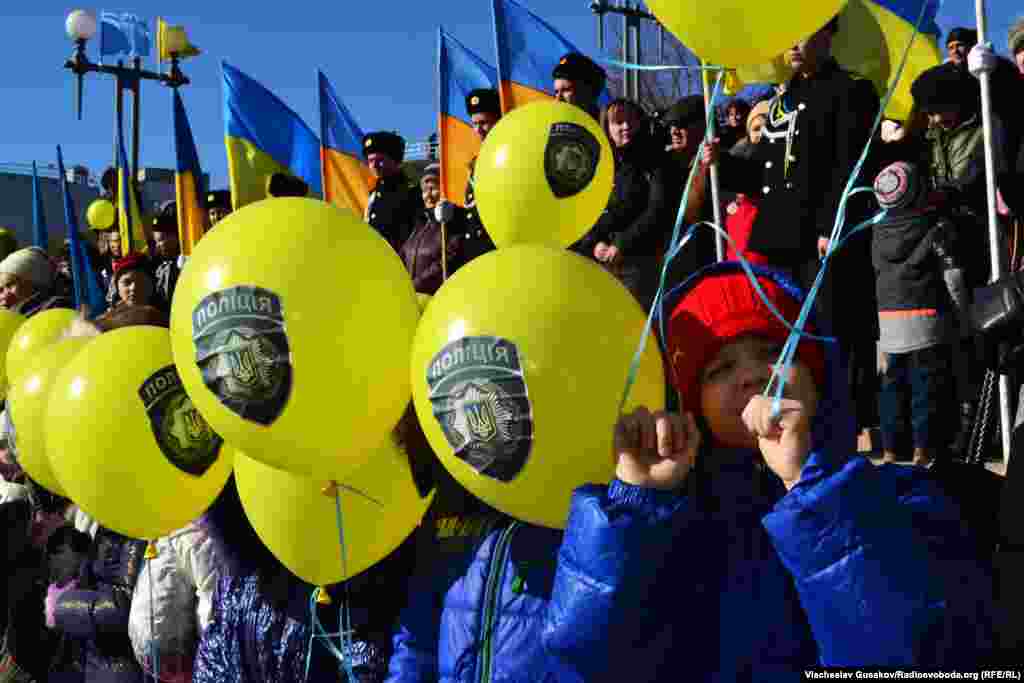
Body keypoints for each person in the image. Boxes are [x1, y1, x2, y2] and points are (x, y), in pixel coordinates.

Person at [539, 262, 996, 680]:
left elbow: (918, 653)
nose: (753, 376)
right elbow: (589, 660)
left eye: (774, 350)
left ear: (820, 373)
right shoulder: (669, 529)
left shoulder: (898, 498)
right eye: (719, 369)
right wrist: (636, 506)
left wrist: (812, 488)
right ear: (688, 406)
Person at [708, 14, 882, 442]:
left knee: (829, 335)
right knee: (787, 341)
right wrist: (723, 163)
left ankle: (842, 426)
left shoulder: (850, 91)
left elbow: (850, 168)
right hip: (782, 240)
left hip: (822, 241)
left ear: (828, 35)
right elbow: (770, 179)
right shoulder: (784, 99)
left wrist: (831, 225)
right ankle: (798, 425)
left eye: (803, 33)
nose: (794, 44)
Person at [871, 161, 970, 467]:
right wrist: (963, 311)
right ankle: (922, 450)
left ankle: (889, 450)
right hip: (926, 316)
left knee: (891, 388)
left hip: (888, 318)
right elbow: (951, 274)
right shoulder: (935, 226)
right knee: (925, 389)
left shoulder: (877, 229)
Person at [571, 99, 670, 309]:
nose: (625, 127)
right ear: (607, 127)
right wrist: (594, 242)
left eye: (630, 120)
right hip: (598, 264)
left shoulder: (654, 162)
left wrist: (622, 243)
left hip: (639, 264)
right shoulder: (599, 164)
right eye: (618, 122)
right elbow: (585, 210)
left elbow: (657, 209)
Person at [128, 522, 218, 683]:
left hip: (142, 637)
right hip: (166, 643)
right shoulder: (192, 537)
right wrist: (214, 644)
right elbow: (210, 599)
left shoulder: (163, 531)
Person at [659, 95, 717, 290]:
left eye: (682, 124)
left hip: (705, 265)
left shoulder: (717, 166)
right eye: (671, 125)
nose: (673, 130)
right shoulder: (665, 165)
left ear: (703, 126)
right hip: (670, 267)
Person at [435, 88, 497, 266]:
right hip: (475, 254)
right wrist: (452, 214)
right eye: (474, 124)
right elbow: (473, 214)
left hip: (497, 251)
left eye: (484, 123)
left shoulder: (508, 156)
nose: (479, 130)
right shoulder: (476, 163)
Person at [401, 164, 469, 294]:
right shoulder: (420, 224)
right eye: (425, 190)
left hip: (437, 299)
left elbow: (447, 261)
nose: (428, 195)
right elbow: (403, 255)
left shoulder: (456, 222)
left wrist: (415, 285)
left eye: (433, 188)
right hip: (414, 297)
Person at [363, 132, 422, 253]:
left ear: (394, 160)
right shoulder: (373, 195)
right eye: (370, 161)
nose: (374, 165)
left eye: (379, 160)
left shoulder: (411, 192)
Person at [0, 246, 71, 316]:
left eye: (10, 285)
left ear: (34, 281)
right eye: (1, 290)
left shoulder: (55, 307)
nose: (5, 295)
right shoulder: (9, 313)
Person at [552, 52, 606, 121]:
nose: (558, 99)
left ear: (589, 91)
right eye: (556, 92)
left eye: (566, 90)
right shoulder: (554, 126)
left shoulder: (607, 128)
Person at [150, 203, 181, 311]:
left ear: (174, 237)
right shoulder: (156, 266)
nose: (158, 245)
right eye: (156, 241)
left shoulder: (183, 261)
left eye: (161, 240)